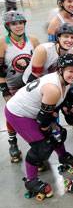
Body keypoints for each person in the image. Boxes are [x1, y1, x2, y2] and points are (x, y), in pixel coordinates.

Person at [4, 54, 73, 200]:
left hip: (33, 111)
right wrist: (47, 133)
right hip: (18, 113)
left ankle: (63, 157)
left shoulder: (62, 80)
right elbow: (43, 120)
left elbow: (51, 110)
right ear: (60, 69)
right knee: (41, 148)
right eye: (70, 71)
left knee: (59, 133)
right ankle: (31, 180)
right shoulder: (53, 88)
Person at [0, 11, 39, 163]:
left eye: (20, 23)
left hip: (29, 84)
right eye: (14, 24)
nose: (18, 26)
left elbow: (40, 62)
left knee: (33, 114)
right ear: (8, 26)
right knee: (11, 113)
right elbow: (0, 69)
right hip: (12, 85)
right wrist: (5, 91)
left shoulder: (33, 40)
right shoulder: (3, 43)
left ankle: (36, 144)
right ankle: (12, 142)